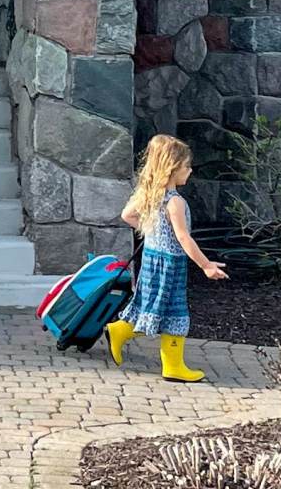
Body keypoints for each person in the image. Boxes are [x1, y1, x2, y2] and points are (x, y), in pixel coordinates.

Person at [107, 134, 226, 382]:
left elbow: (127, 215)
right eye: (185, 167)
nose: (190, 171)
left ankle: (120, 330)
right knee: (175, 312)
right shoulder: (175, 202)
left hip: (152, 260)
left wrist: (152, 233)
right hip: (170, 265)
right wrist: (206, 266)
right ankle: (172, 366)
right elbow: (184, 238)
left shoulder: (151, 195)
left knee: (152, 307)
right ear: (172, 169)